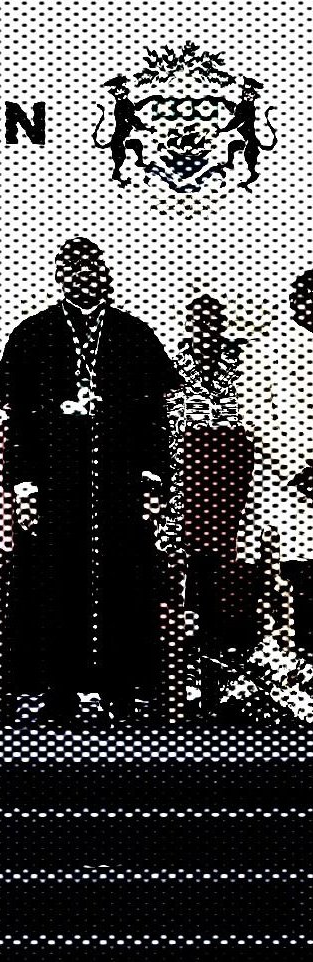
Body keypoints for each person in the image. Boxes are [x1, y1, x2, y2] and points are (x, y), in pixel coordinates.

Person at [0, 239, 179, 722]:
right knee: (54, 586)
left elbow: (155, 418)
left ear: (106, 274)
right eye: (71, 269)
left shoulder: (133, 334)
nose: (82, 277)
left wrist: (153, 481)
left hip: (120, 482)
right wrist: (24, 488)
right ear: (59, 277)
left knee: (124, 584)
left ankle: (121, 691)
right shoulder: (32, 334)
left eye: (91, 268)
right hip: (55, 483)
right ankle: (57, 693)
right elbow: (18, 423)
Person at [165, 297, 262, 692]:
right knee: (186, 566)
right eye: (198, 321)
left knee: (229, 565)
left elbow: (254, 422)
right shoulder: (172, 364)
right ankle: (186, 661)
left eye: (212, 321)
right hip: (187, 474)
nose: (206, 328)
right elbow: (166, 424)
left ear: (221, 324)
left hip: (230, 473)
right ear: (189, 324)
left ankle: (225, 659)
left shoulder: (242, 362)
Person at [236, 271, 313, 648]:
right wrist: (298, 467)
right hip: (285, 483)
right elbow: (253, 418)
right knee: (288, 572)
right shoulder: (265, 350)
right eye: (307, 297)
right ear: (295, 301)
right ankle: (284, 656)